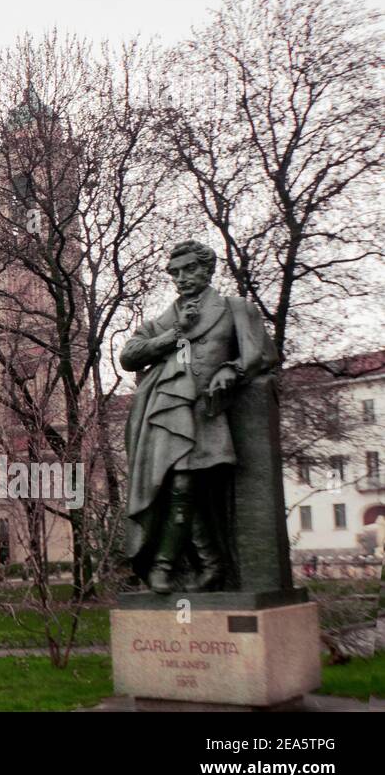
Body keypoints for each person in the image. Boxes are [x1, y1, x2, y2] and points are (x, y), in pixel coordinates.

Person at [120, 240, 278, 593]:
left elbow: (264, 354)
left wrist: (233, 369)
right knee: (175, 486)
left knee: (185, 485)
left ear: (207, 269)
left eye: (189, 269)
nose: (181, 278)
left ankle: (179, 564)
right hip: (168, 413)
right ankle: (202, 565)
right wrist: (174, 335)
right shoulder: (168, 318)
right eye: (175, 272)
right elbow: (129, 356)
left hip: (208, 413)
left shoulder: (235, 309)